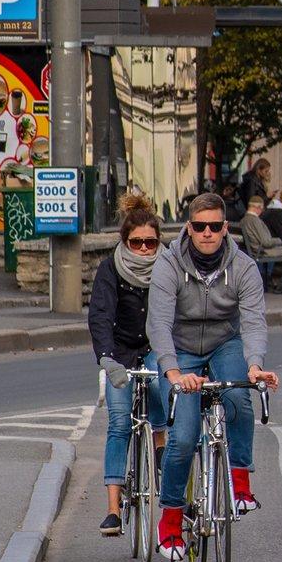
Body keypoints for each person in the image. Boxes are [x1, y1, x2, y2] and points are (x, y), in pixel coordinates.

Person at [147, 192, 278, 560]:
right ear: (189, 228)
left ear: (225, 228)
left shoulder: (244, 267)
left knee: (238, 395)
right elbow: (158, 324)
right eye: (200, 226)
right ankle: (171, 518)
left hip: (225, 342)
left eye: (215, 226)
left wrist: (255, 365)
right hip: (181, 348)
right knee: (183, 436)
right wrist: (174, 373)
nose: (207, 233)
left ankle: (240, 480)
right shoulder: (168, 264)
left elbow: (254, 321)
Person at [89, 196, 169, 537]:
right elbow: (100, 315)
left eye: (150, 242)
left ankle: (161, 443)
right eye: (137, 242)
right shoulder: (111, 268)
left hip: (155, 345)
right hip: (120, 350)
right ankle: (113, 509)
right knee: (120, 422)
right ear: (125, 241)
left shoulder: (168, 267)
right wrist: (107, 358)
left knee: (161, 383)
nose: (144, 249)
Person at [239, 192, 282, 293]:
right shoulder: (255, 221)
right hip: (263, 251)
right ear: (258, 208)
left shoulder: (244, 220)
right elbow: (266, 242)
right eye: (262, 208)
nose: (262, 211)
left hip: (256, 249)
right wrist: (280, 240)